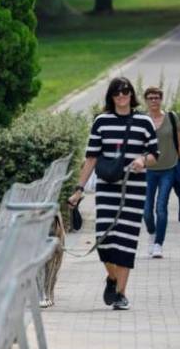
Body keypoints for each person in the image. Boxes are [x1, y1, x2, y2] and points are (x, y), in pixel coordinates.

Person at [67, 77, 158, 310]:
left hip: (135, 188)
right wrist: (78, 189)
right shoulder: (101, 122)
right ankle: (112, 277)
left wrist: (142, 160)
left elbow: (154, 154)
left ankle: (120, 294)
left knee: (126, 241)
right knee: (104, 240)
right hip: (107, 187)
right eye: (117, 92)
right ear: (111, 96)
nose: (121, 95)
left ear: (131, 95)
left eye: (125, 91)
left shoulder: (144, 122)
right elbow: (91, 158)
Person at [143, 87, 180, 259]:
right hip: (147, 170)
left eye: (157, 97)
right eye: (150, 98)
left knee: (161, 207)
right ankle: (152, 234)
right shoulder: (142, 120)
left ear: (161, 99)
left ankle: (159, 244)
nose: (154, 100)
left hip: (169, 168)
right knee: (146, 210)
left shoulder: (172, 118)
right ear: (146, 100)